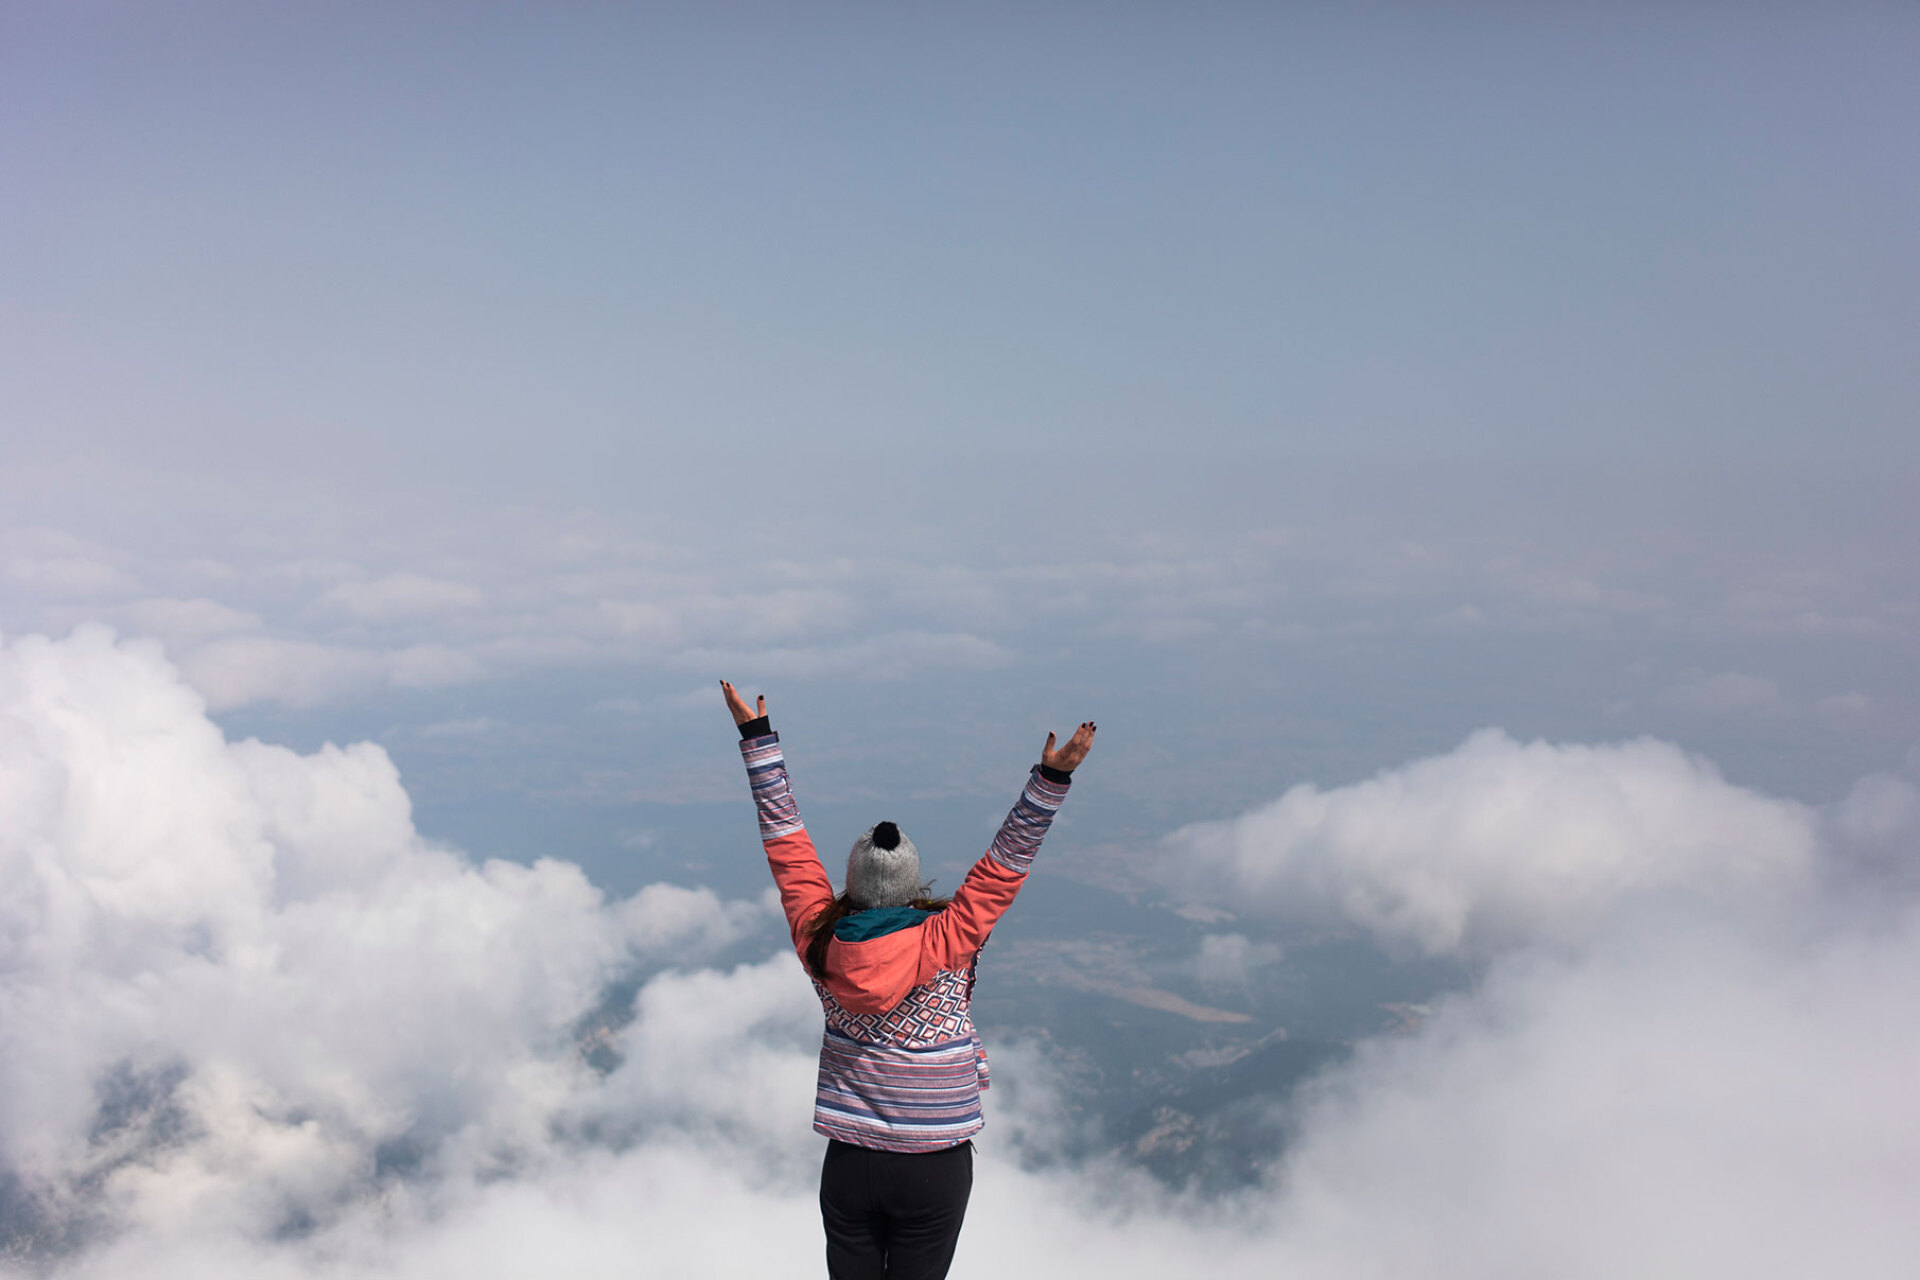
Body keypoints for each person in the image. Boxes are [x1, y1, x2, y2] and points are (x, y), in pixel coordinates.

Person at [720, 680, 1095, 1280]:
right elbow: (1004, 866)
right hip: (936, 1162)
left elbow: (788, 850)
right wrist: (1049, 783)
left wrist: (757, 742)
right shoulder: (949, 939)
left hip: (850, 1159)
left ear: (851, 886)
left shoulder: (821, 942)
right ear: (915, 885)